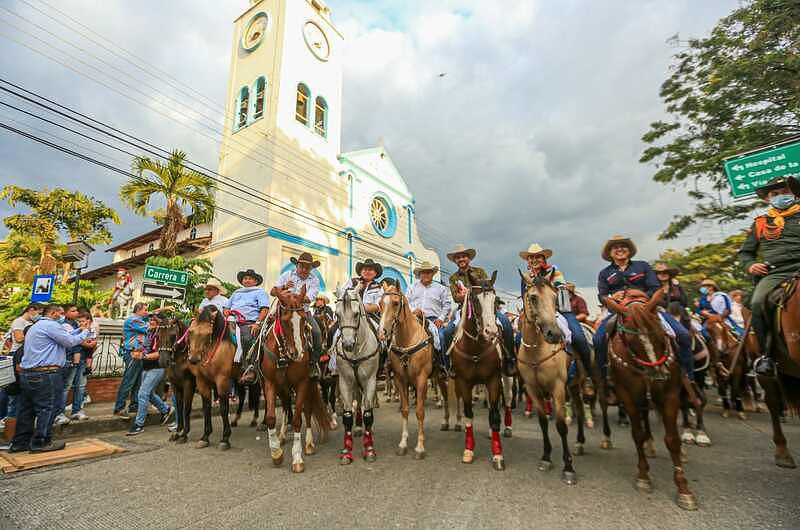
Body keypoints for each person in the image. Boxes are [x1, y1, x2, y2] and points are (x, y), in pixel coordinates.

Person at [593, 235, 694, 380]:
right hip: (619, 312)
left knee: (683, 335)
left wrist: (641, 300)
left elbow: (656, 288)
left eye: (623, 246)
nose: (620, 249)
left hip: (649, 309)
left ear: (629, 250)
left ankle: (688, 375)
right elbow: (602, 296)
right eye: (615, 247)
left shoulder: (643, 266)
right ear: (610, 253)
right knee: (598, 340)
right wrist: (612, 299)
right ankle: (605, 380)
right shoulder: (604, 273)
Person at [738, 175, 800, 376]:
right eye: (775, 193)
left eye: (785, 192)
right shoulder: (760, 223)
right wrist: (751, 265)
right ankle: (766, 357)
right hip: (776, 271)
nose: (781, 196)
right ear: (767, 199)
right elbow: (745, 253)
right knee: (756, 303)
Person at [8, 304, 91, 453]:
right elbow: (70, 342)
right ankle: (41, 442)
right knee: (48, 408)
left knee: (27, 410)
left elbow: (66, 336)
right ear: (53, 313)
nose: (62, 316)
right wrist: (85, 332)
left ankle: (20, 443)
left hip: (29, 374)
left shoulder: (37, 326)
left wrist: (79, 329)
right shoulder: (51, 325)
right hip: (46, 374)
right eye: (60, 313)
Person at [519, 243, 593, 394]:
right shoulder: (526, 278)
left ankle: (587, 376)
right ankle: (522, 374)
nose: (534, 260)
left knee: (578, 337)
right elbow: (525, 299)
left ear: (543, 258)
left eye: (538, 257)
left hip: (560, 311)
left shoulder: (554, 272)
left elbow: (561, 293)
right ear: (528, 261)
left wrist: (546, 287)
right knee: (518, 339)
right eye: (531, 257)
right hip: (536, 315)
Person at [443, 244, 515, 375]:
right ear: (455, 261)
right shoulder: (453, 278)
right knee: (447, 332)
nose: (461, 259)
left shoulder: (480, 272)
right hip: (464, 310)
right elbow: (456, 298)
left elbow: (488, 288)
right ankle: (450, 364)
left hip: (485, 306)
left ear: (468, 258)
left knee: (506, 323)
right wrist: (470, 294)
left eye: (463, 256)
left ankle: (510, 359)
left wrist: (471, 293)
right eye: (458, 257)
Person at [270, 252, 324, 379]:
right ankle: (253, 363)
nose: (304, 269)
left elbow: (309, 297)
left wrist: (289, 296)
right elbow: (273, 292)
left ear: (311, 268)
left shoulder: (314, 280)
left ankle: (313, 363)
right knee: (261, 331)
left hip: (302, 312)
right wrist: (283, 287)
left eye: (307, 267)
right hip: (283, 311)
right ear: (297, 265)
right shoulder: (286, 275)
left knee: (316, 333)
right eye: (302, 266)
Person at [127, 315, 174, 436]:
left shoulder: (163, 336)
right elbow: (146, 348)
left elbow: (160, 353)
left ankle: (139, 424)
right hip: (146, 367)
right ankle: (165, 409)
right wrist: (138, 350)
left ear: (160, 323)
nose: (151, 322)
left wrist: (143, 356)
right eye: (151, 320)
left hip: (157, 368)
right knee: (149, 394)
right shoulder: (150, 333)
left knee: (142, 394)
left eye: (155, 320)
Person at [0, 303, 43, 433]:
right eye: (39, 313)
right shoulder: (19, 322)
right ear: (31, 310)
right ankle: (6, 419)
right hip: (17, 356)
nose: (39, 316)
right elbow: (18, 339)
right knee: (13, 392)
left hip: (25, 356)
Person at [405, 261, 452, 377]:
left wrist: (441, 318)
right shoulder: (412, 287)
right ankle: (393, 362)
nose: (425, 274)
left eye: (428, 272)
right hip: (414, 319)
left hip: (433, 320)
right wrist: (413, 310)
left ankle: (443, 365)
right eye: (423, 272)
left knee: (441, 336)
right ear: (420, 274)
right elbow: (406, 302)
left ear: (432, 274)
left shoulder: (441, 289)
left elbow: (447, 305)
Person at [231, 269, 270, 384]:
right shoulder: (236, 292)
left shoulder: (259, 292)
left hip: (249, 322)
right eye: (245, 278)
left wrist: (257, 323)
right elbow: (227, 307)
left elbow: (265, 309)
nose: (247, 280)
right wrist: (226, 312)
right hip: (232, 321)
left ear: (255, 281)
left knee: (248, 338)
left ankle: (250, 368)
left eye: (250, 278)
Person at [113, 303, 149, 418]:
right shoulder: (133, 320)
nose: (146, 312)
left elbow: (151, 315)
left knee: (137, 382)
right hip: (132, 353)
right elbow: (148, 328)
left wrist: (163, 309)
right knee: (128, 381)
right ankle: (119, 408)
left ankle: (134, 405)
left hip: (139, 354)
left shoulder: (138, 319)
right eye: (145, 310)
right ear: (138, 309)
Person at [63, 310, 98, 421]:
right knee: (67, 386)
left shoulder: (90, 330)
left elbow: (93, 344)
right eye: (79, 321)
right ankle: (59, 413)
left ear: (88, 321)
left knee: (81, 386)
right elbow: (78, 342)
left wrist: (87, 343)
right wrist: (85, 342)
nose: (81, 323)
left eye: (83, 321)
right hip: (73, 359)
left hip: (84, 359)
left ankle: (77, 410)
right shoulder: (73, 328)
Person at [54, 305, 82, 426]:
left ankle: (68, 412)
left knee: (71, 386)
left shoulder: (75, 324)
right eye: (73, 311)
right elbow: (71, 340)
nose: (76, 313)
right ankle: (58, 413)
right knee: (63, 388)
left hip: (74, 359)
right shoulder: (62, 325)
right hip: (65, 359)